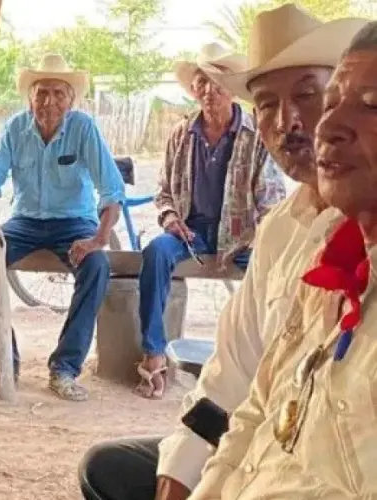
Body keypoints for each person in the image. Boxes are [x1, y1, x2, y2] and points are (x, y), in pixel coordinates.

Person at [77, 4, 367, 499]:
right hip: (259, 441)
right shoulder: (283, 230)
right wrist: (185, 475)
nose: (288, 121)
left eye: (309, 95)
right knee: (107, 469)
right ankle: (154, 350)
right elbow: (232, 376)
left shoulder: (354, 234)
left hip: (237, 244)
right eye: (269, 104)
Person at [191, 20, 377, 498]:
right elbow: (244, 390)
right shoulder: (318, 255)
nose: (322, 127)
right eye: (267, 105)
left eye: (372, 104)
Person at [0, 53, 126, 401]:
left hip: (74, 221)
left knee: (97, 267)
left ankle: (65, 368)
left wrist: (98, 239)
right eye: (41, 93)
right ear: (30, 97)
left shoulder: (83, 128)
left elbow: (112, 189)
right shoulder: (15, 128)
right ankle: (4, 358)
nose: (49, 101)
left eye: (58, 93)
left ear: (70, 99)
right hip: (25, 221)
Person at [135, 43, 286, 399]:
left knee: (273, 272)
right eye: (201, 81)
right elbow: (163, 193)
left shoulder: (256, 135)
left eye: (218, 82)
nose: (208, 90)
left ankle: (261, 364)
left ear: (232, 89)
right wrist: (171, 219)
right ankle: (153, 354)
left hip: (241, 236)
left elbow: (271, 202)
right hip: (193, 233)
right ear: (193, 88)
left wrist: (252, 239)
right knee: (155, 253)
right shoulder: (181, 133)